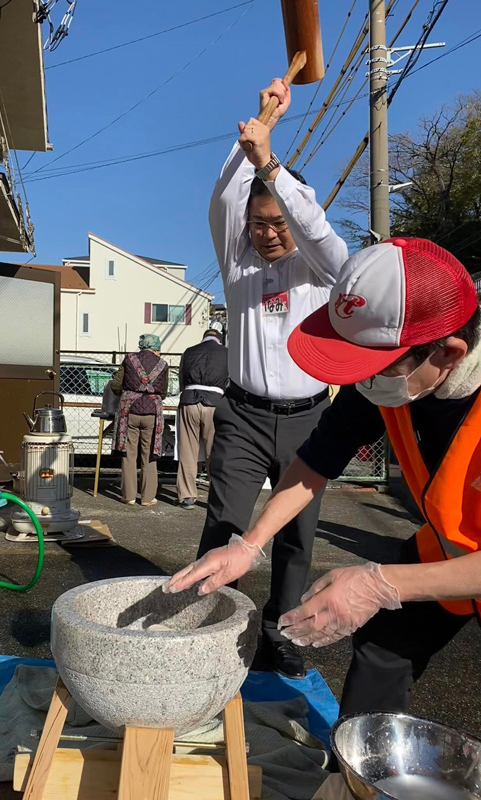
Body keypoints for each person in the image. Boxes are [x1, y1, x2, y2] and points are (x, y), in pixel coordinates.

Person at [165, 237, 481, 718]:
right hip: (450, 546)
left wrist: (381, 584)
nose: (362, 381)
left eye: (375, 366)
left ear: (448, 354)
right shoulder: (385, 382)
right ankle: (357, 779)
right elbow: (316, 460)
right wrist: (249, 543)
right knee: (384, 645)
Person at [199, 77, 348, 677]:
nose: (269, 231)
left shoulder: (320, 271)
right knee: (226, 524)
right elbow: (224, 196)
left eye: (280, 220)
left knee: (295, 539)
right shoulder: (237, 268)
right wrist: (263, 125)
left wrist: (275, 166)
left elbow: (329, 245)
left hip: (310, 419)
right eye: (259, 223)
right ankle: (208, 624)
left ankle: (279, 632)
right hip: (243, 415)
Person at [112, 334, 168, 507]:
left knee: (129, 454)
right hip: (152, 413)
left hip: (129, 411)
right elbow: (164, 393)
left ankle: (128, 496)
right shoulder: (163, 364)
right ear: (156, 347)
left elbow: (116, 385)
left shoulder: (129, 359)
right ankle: (147, 497)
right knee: (149, 453)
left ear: (141, 345)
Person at [176, 329, 228, 509]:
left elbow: (181, 379)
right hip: (215, 403)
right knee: (214, 451)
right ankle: (215, 496)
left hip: (189, 399)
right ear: (218, 340)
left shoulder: (189, 351)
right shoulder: (227, 353)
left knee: (187, 450)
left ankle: (187, 496)